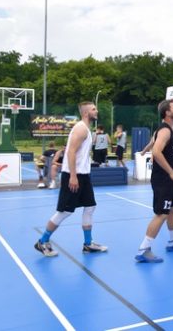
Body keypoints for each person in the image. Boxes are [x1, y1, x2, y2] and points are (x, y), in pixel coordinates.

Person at [34, 102, 107, 257]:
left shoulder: (87, 129)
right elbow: (71, 152)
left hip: (84, 175)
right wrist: (73, 176)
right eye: (94, 109)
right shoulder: (80, 128)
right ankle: (42, 241)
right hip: (74, 175)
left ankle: (88, 244)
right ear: (86, 113)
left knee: (90, 207)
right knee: (64, 212)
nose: (97, 110)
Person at [135, 100, 173, 263]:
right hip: (164, 179)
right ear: (167, 113)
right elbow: (157, 152)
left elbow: (153, 143)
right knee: (161, 214)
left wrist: (144, 150)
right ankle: (143, 249)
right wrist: (172, 173)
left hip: (172, 178)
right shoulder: (165, 131)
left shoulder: (166, 130)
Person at [141, 135, 173, 212]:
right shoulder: (160, 135)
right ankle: (168, 205)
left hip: (169, 167)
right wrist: (144, 152)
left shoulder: (169, 137)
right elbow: (151, 145)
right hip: (162, 173)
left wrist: (144, 152)